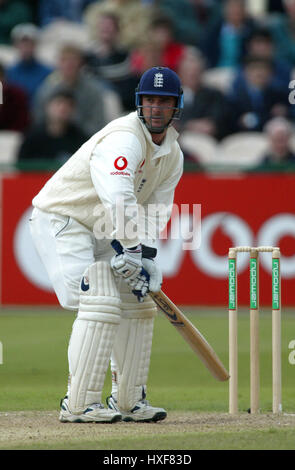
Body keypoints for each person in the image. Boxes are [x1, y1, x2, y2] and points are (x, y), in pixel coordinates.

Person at [29, 66, 184, 423]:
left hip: (102, 228)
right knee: (97, 294)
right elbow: (118, 196)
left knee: (136, 299)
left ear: (176, 107)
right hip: (63, 218)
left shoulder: (172, 154)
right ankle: (79, 403)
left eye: (164, 101)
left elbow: (156, 211)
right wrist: (130, 249)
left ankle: (128, 401)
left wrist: (145, 256)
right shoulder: (123, 138)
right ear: (139, 103)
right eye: (150, 100)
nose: (156, 108)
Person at [33, 44, 122, 137]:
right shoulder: (47, 90)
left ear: (81, 63)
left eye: (73, 60)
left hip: (84, 141)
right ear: (58, 63)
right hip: (53, 140)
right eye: (64, 60)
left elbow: (98, 125)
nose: (68, 65)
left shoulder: (93, 91)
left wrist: (72, 121)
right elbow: (39, 121)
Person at [18, 89, 87, 164]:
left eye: (69, 105)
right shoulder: (32, 137)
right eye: (58, 103)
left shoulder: (80, 139)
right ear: (47, 107)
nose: (63, 108)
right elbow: (22, 166)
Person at [227, 55, 291, 133]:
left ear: (271, 73)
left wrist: (285, 113)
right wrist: (239, 122)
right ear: (245, 72)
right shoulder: (234, 97)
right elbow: (228, 122)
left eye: (264, 69)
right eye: (254, 69)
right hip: (244, 137)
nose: (259, 73)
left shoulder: (281, 95)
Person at [6, 23, 53, 106]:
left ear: (36, 45)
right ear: (15, 45)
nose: (26, 48)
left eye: (29, 44)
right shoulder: (8, 73)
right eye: (22, 44)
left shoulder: (48, 73)